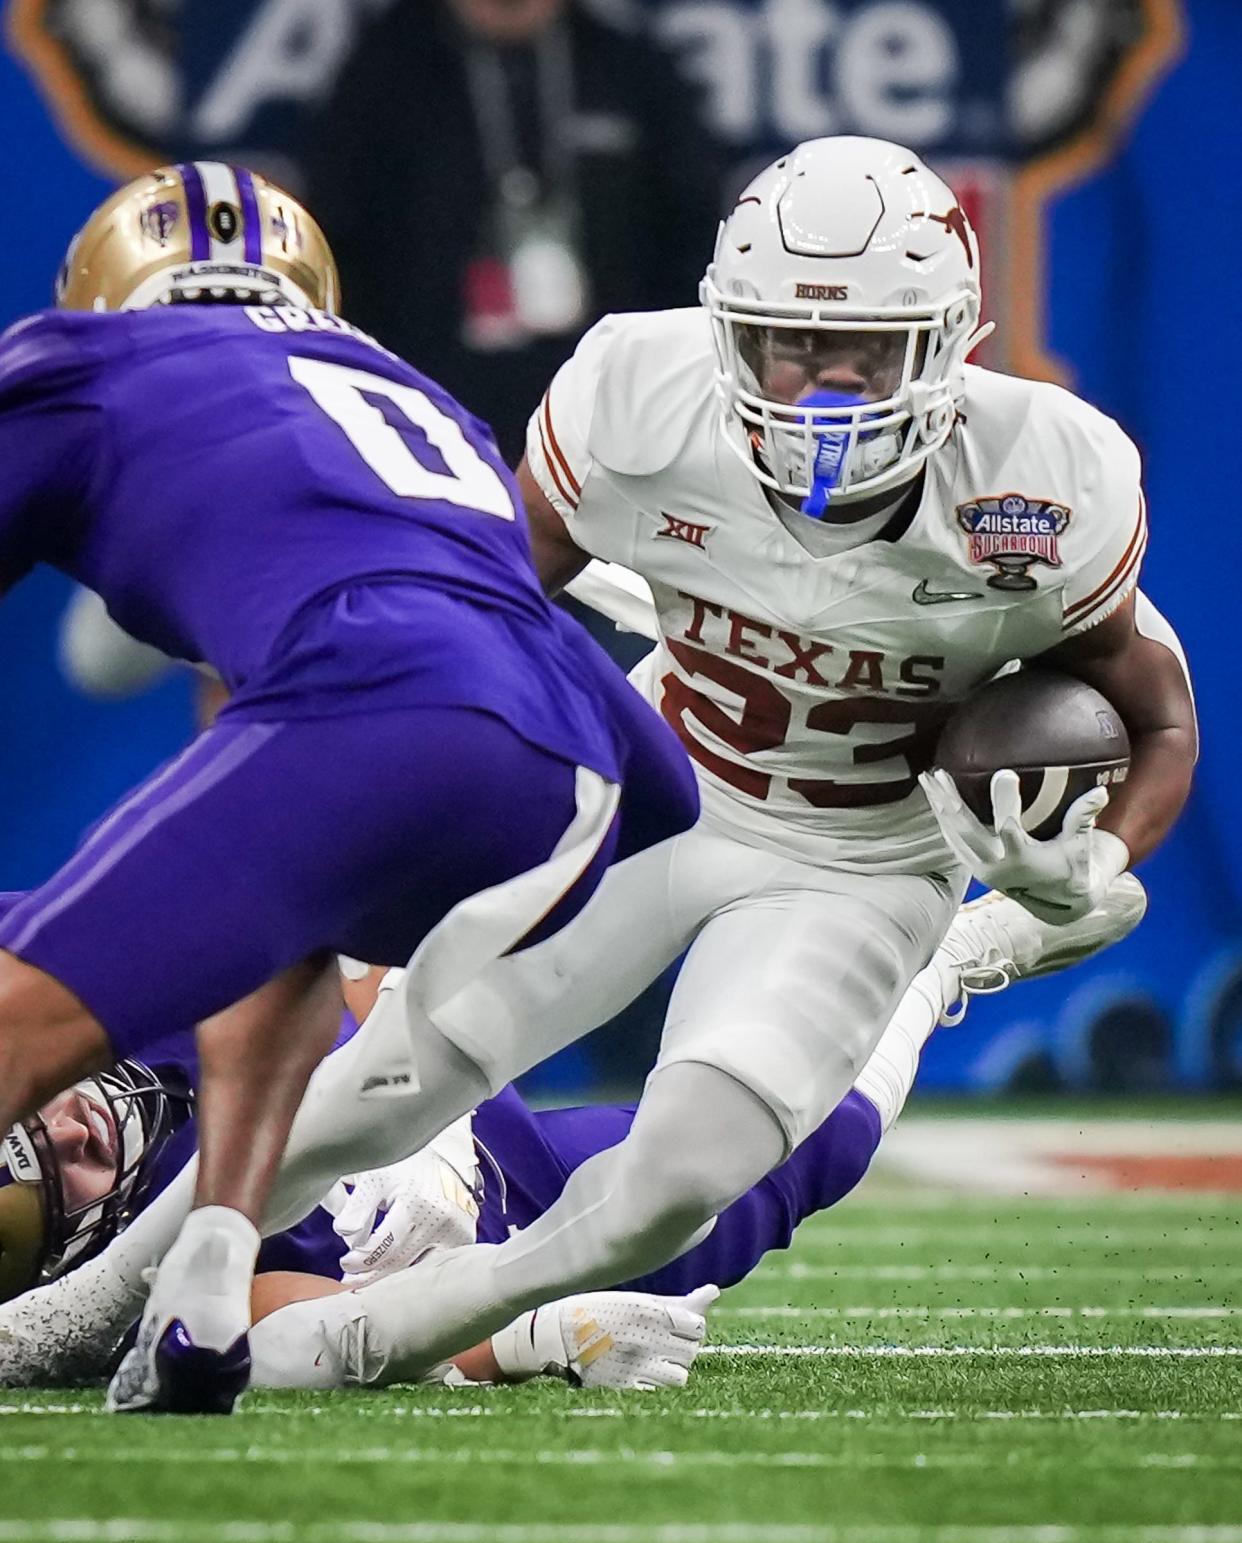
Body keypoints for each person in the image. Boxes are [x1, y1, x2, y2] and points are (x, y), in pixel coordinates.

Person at [140, 133, 1188, 1386]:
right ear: (725, 326)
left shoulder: (1046, 480)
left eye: (866, 350)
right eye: (791, 346)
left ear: (953, 340)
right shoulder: (641, 389)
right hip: (667, 781)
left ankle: (394, 1333)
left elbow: (1160, 720)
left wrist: (1093, 862)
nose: (824, 393)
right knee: (382, 1085)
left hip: (861, 856)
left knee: (685, 1178)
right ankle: (98, 1295)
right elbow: (489, 609)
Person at [0, 160, 698, 1413]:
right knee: (277, 916)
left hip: (381, 701)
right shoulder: (412, 392)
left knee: (23, 1018)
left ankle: (227, 1255)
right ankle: (210, 1275)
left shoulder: (80, 366)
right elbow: (656, 781)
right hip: (572, 778)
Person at [0, 875, 1147, 1391]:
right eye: (70, 1169)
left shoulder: (76, 973)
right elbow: (345, 1331)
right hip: (498, 1217)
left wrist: (395, 1083)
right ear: (72, 1254)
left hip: (420, 1043)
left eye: (25, 1116)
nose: (78, 1120)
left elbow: (325, 909)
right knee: (799, 1144)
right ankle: (947, 961)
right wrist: (538, 1328)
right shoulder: (163, 1281)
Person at [305, 0, 726, 464]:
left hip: (610, 419)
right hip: (426, 414)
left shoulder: (632, 72)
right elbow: (341, 248)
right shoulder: (382, 75)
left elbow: (692, 245)